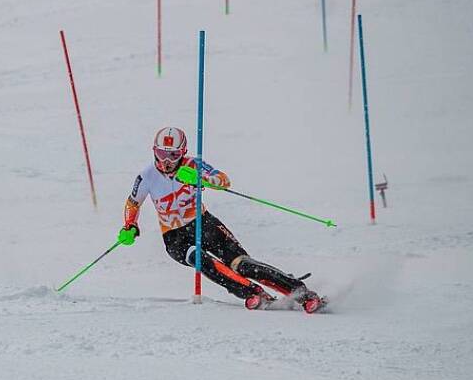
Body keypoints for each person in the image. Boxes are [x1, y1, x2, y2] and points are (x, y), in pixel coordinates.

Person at [118, 126, 324, 312]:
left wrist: (200, 178)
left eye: (173, 155)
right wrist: (130, 225)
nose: (166, 161)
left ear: (182, 153)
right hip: (174, 236)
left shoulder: (193, 164)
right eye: (161, 154)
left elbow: (223, 181)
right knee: (201, 259)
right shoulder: (147, 176)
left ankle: (302, 293)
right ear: (154, 151)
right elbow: (133, 203)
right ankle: (253, 292)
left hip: (204, 223)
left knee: (241, 265)